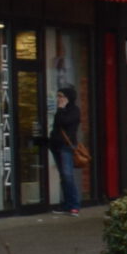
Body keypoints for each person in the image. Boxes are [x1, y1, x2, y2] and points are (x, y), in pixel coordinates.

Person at [46, 85, 85, 215]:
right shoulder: (60, 110)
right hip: (56, 145)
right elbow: (56, 124)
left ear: (68, 97)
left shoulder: (74, 110)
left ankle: (74, 204)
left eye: (61, 96)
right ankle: (67, 204)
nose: (58, 99)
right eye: (58, 96)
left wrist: (61, 109)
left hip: (67, 147)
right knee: (63, 175)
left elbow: (64, 122)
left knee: (68, 175)